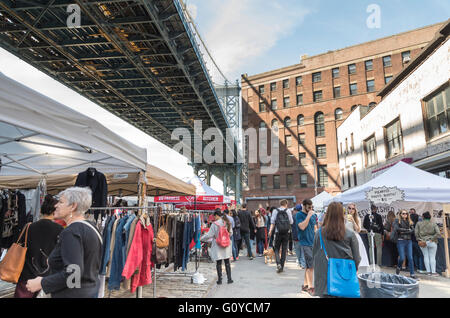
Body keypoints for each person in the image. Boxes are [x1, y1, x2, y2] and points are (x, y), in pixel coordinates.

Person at [26, 187, 103, 297]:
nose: (56, 205)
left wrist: (42, 283)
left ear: (73, 206)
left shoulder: (71, 232)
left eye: (61, 202)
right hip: (89, 291)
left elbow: (74, 273)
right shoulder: (91, 227)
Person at [14, 195, 64, 298]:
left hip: (27, 275)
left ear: (41, 211)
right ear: (54, 211)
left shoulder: (29, 227)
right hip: (48, 277)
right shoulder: (60, 230)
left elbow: (19, 245)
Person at [313, 202, 361, 298]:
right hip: (344, 277)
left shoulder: (319, 233)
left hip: (325, 280)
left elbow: (315, 254)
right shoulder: (350, 234)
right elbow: (357, 258)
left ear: (328, 214)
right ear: (342, 215)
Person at [200, 210, 233, 284]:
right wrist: (225, 237)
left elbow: (209, 235)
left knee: (218, 262)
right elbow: (231, 233)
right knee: (227, 261)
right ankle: (229, 279)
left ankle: (220, 280)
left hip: (218, 245)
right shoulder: (226, 222)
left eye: (214, 216)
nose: (214, 218)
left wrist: (201, 238)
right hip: (226, 244)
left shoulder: (214, 224)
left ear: (217, 215)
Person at [296, 199, 317, 295]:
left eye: (311, 207)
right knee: (311, 266)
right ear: (303, 206)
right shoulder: (299, 215)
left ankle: (305, 285)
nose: (310, 209)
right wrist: (308, 216)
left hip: (313, 242)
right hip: (304, 243)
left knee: (309, 266)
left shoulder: (313, 214)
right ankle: (310, 287)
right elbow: (302, 227)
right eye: (308, 207)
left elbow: (315, 228)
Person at [268, 199, 293, 273]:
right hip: (286, 232)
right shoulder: (288, 211)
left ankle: (278, 264)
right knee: (284, 249)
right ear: (286, 204)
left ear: (280, 204)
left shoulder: (275, 211)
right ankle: (282, 267)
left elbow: (272, 222)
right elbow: (291, 221)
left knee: (276, 249)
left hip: (277, 232)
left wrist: (270, 231)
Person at [392, 209, 417, 279]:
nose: (405, 214)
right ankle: (398, 267)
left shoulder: (410, 221)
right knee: (402, 257)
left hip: (408, 241)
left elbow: (413, 230)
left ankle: (412, 274)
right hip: (400, 241)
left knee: (410, 258)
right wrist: (407, 230)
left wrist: (403, 231)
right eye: (403, 213)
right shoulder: (397, 221)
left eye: (406, 213)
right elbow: (397, 229)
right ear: (400, 214)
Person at [415, 211, 441, 276]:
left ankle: (428, 272)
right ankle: (433, 272)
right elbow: (438, 233)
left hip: (422, 241)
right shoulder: (433, 223)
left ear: (423, 217)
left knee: (425, 256)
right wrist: (432, 239)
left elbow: (416, 233)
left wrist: (419, 240)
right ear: (430, 217)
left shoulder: (418, 223)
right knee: (432, 257)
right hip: (432, 242)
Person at [345, 203, 369, 269]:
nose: (351, 210)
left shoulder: (357, 218)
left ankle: (356, 269)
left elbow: (358, 230)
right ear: (347, 209)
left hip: (355, 237)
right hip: (346, 238)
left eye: (353, 209)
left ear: (355, 210)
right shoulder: (344, 218)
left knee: (356, 255)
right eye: (349, 208)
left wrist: (353, 220)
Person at [409, 208, 425, 273]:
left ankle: (417, 267)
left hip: (411, 240)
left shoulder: (409, 222)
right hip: (417, 240)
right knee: (420, 254)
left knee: (415, 254)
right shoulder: (418, 223)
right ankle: (420, 268)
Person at [291, 204, 306, 268]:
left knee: (297, 250)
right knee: (303, 251)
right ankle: (303, 263)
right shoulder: (304, 216)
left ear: (295, 210)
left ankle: (299, 262)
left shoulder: (293, 216)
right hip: (303, 235)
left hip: (295, 236)